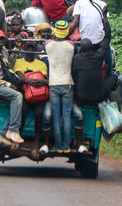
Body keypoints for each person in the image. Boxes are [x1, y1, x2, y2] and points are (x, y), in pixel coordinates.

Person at [14, 42, 51, 158]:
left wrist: (33, 81)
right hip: (26, 94)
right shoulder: (19, 62)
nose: (30, 50)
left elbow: (46, 79)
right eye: (28, 47)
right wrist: (29, 80)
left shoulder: (41, 64)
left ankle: (36, 143)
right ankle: (17, 138)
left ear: (36, 50)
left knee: (39, 114)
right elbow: (19, 76)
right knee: (23, 111)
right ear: (24, 49)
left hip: (38, 94)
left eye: (32, 48)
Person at [45, 20, 76, 153]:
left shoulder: (48, 45)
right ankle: (66, 146)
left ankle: (58, 145)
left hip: (53, 84)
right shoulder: (71, 45)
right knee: (67, 115)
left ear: (55, 31)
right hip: (68, 83)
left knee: (56, 116)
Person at [69, 0, 112, 75]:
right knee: (108, 53)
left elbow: (75, 21)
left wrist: (63, 35)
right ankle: (109, 73)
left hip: (85, 42)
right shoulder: (102, 4)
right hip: (100, 40)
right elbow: (105, 23)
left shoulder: (79, 3)